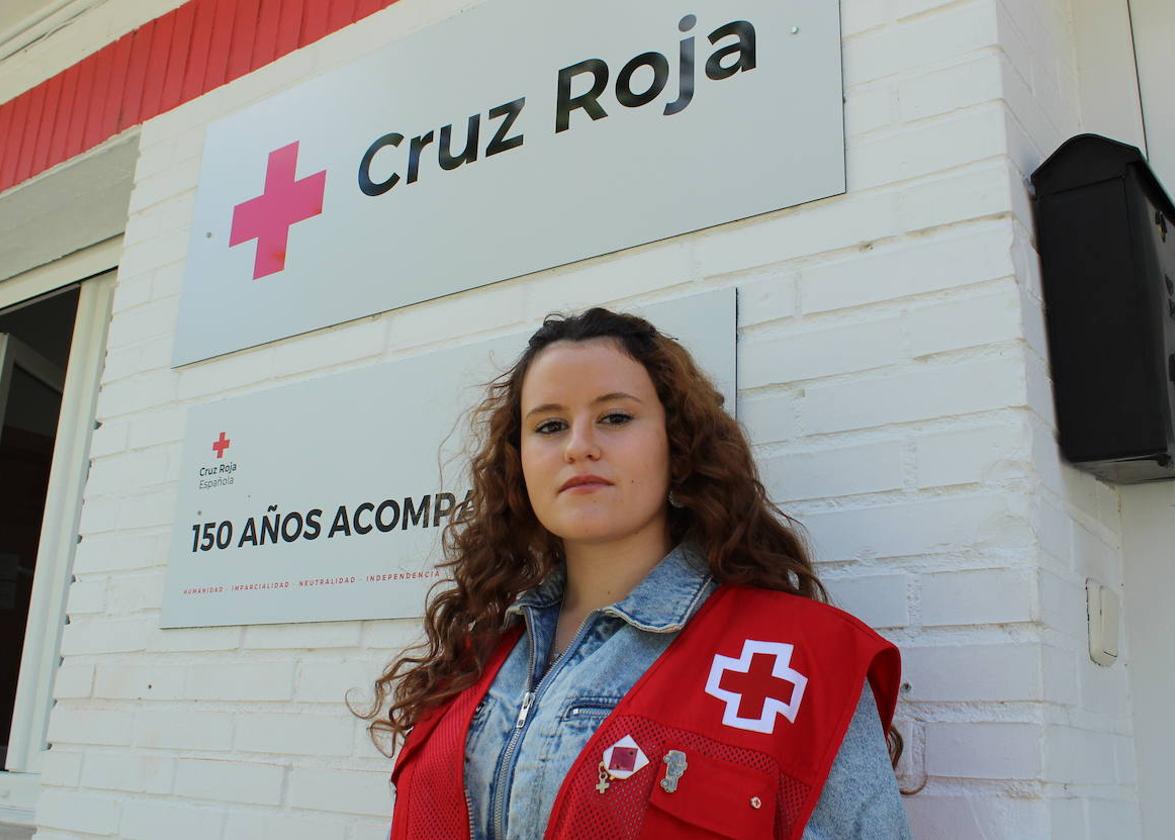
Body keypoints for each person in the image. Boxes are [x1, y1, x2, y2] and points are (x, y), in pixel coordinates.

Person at [355, 307, 913, 839]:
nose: (579, 447)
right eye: (549, 425)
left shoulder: (800, 659)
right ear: (518, 464)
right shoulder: (475, 655)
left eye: (615, 417)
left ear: (677, 446)